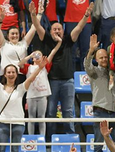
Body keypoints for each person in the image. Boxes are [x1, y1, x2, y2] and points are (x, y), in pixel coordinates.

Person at [29, 3, 91, 136]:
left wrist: (86, 16)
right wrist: (33, 15)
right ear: (50, 32)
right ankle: (50, 139)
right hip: (52, 81)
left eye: (59, 29)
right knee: (51, 112)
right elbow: (37, 27)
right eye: (54, 29)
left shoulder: (68, 41)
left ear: (63, 31)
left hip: (68, 81)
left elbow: (79, 27)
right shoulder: (46, 39)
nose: (57, 31)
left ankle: (70, 139)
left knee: (68, 111)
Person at [0, 57, 47, 152]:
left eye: (13, 72)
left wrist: (40, 68)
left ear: (16, 74)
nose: (11, 74)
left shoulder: (21, 88)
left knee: (15, 151)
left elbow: (31, 78)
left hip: (18, 123)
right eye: (8, 72)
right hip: (2, 123)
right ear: (5, 74)